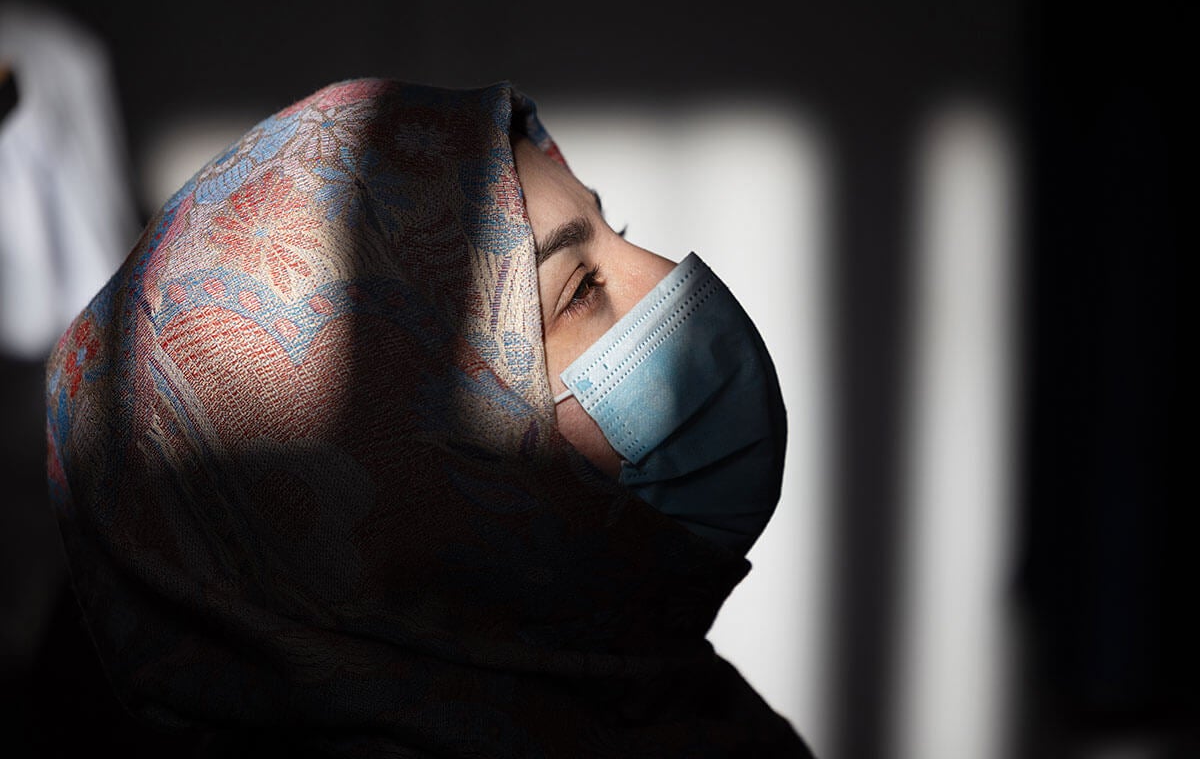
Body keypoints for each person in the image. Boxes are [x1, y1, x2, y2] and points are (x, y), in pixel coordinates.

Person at [43, 78, 812, 757]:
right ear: (391, 483)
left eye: (622, 233)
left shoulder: (667, 704)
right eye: (577, 289)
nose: (666, 277)